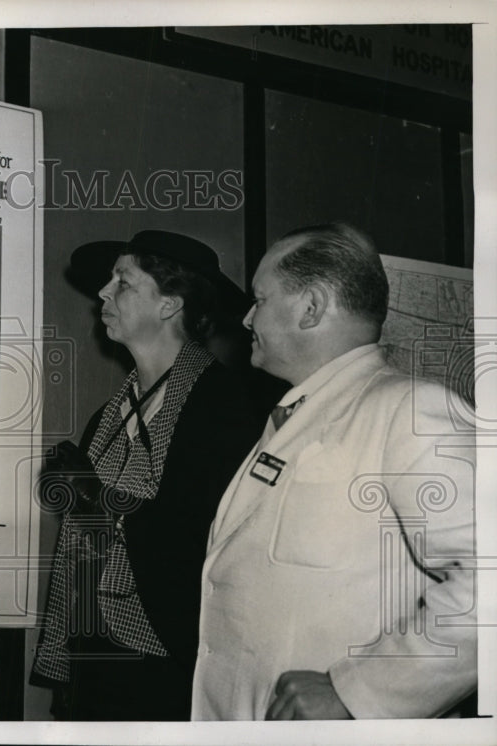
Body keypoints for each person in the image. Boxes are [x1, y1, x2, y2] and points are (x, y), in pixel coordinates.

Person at [192, 223, 477, 720]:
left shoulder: (410, 409)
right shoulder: (292, 415)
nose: (245, 319)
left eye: (260, 299)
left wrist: (357, 694)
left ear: (312, 307)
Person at [30, 230, 263, 720]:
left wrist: (96, 497)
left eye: (124, 282)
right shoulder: (110, 414)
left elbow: (210, 542)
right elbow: (82, 547)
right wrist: (69, 661)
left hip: (163, 667)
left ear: (169, 304)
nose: (103, 292)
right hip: (96, 661)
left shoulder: (223, 406)